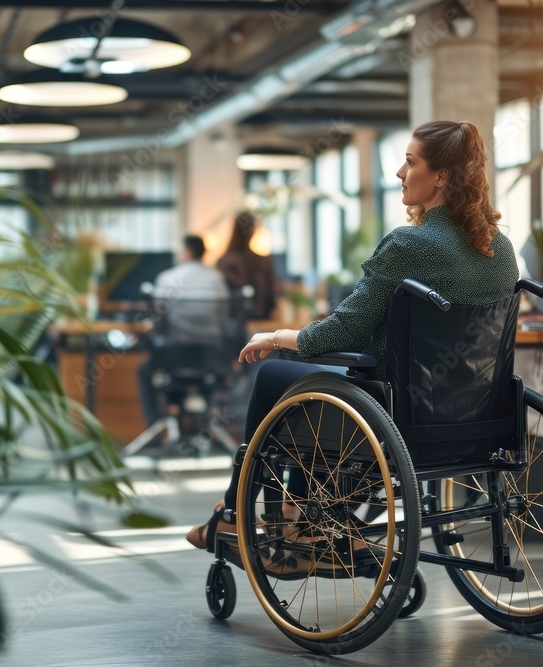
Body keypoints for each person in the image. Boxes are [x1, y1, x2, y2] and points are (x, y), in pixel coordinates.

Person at [186, 120, 520, 555]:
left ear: (440, 177)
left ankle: (235, 514)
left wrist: (276, 335)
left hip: (399, 418)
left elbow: (346, 329)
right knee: (324, 384)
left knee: (275, 376)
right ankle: (302, 515)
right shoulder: (501, 250)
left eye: (409, 161)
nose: (399, 173)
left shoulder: (409, 244)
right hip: (477, 422)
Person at [137, 234, 229, 426]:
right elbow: (224, 318)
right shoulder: (217, 279)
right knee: (202, 376)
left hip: (174, 358)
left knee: (145, 371)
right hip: (211, 358)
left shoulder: (167, 279)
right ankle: (204, 423)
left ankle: (158, 426)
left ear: (187, 252)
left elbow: (159, 321)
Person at [217, 211, 278, 320]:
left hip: (231, 321)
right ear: (252, 230)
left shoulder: (223, 261)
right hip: (258, 320)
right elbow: (270, 298)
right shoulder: (261, 261)